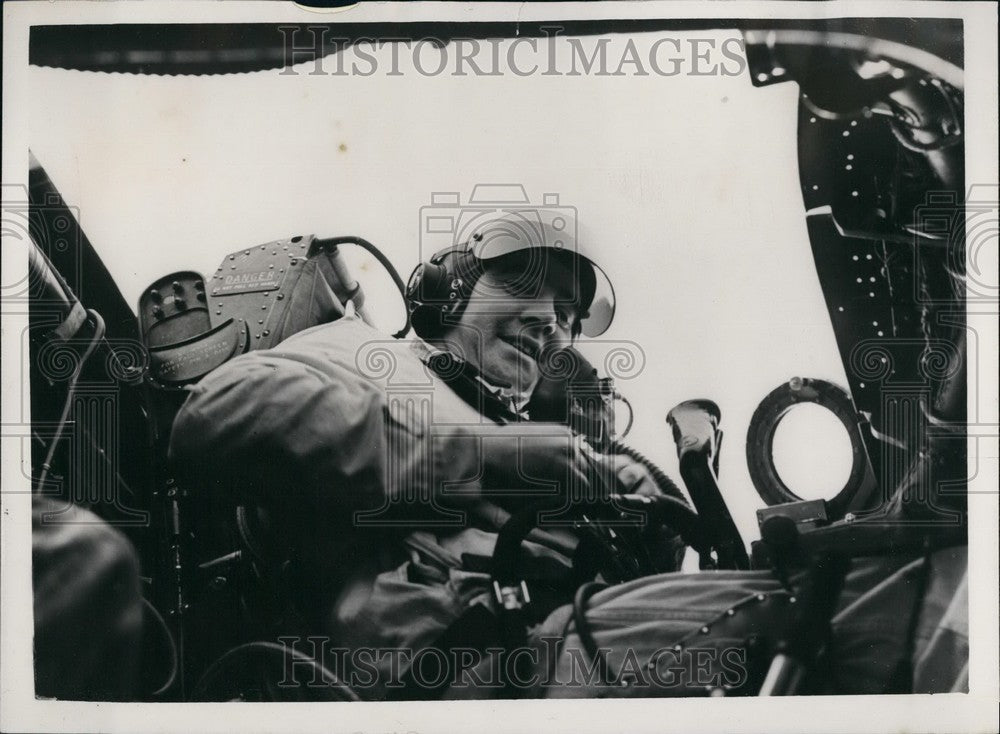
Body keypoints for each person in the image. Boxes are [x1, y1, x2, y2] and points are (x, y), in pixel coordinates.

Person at [169, 211, 965, 699]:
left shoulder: (572, 450)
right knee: (878, 611)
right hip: (468, 674)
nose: (555, 324)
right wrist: (481, 456)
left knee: (908, 576)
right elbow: (218, 414)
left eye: (572, 316)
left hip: (573, 655)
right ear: (447, 289)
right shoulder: (362, 353)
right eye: (529, 288)